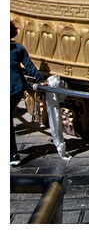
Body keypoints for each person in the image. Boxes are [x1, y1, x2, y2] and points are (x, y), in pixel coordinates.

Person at [10, 20, 47, 166]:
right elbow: (29, 66)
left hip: (13, 88)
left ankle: (12, 154)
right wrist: (39, 78)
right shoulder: (17, 48)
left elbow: (29, 66)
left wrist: (39, 79)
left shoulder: (17, 48)